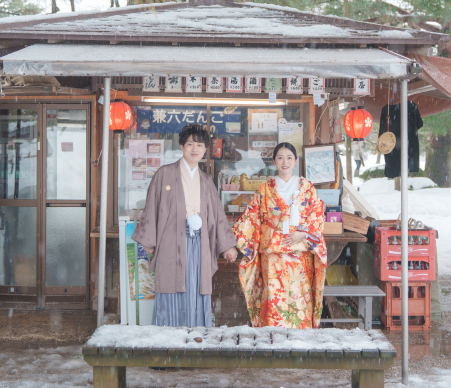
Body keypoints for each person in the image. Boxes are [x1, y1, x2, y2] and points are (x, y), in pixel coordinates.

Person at [132, 124, 238, 327]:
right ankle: (167, 340)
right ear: (181, 146)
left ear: (205, 150)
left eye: (199, 145)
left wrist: (227, 246)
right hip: (170, 241)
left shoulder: (206, 181)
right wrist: (149, 240)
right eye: (190, 144)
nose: (194, 149)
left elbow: (217, 216)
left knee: (196, 287)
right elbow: (152, 206)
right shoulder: (164, 174)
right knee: (170, 287)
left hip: (199, 243)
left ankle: (196, 336)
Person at [232, 142, 327, 328]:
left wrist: (302, 233)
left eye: (289, 158)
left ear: (296, 161)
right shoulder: (264, 189)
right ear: (274, 161)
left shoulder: (307, 187)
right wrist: (233, 239)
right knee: (274, 295)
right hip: (273, 254)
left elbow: (317, 213)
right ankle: (273, 336)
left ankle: (300, 339)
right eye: (280, 158)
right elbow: (251, 216)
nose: (285, 162)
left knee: (299, 296)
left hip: (300, 253)